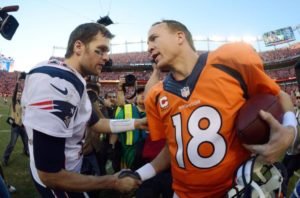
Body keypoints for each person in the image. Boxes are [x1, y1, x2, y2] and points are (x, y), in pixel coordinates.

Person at [131, 20, 298, 197]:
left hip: (236, 188)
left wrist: (290, 130)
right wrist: (140, 174)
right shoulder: (156, 94)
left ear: (179, 36)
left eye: (154, 38)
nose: (149, 47)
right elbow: (173, 148)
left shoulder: (229, 60)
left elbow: (281, 96)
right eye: (148, 42)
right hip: (182, 193)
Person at [21, 22, 147, 197]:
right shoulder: (59, 83)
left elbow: (97, 123)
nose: (106, 58)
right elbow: (49, 174)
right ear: (78, 46)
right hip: (61, 184)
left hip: (66, 174)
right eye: (100, 50)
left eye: (107, 52)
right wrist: (112, 181)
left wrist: (138, 123)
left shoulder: (72, 78)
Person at [2, 76, 29, 166]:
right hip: (15, 127)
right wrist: (17, 82)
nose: (19, 95)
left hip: (22, 126)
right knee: (12, 144)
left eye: (20, 94)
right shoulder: (14, 102)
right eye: (18, 94)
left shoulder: (23, 102)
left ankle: (25, 151)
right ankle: (5, 158)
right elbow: (14, 94)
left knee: (26, 142)